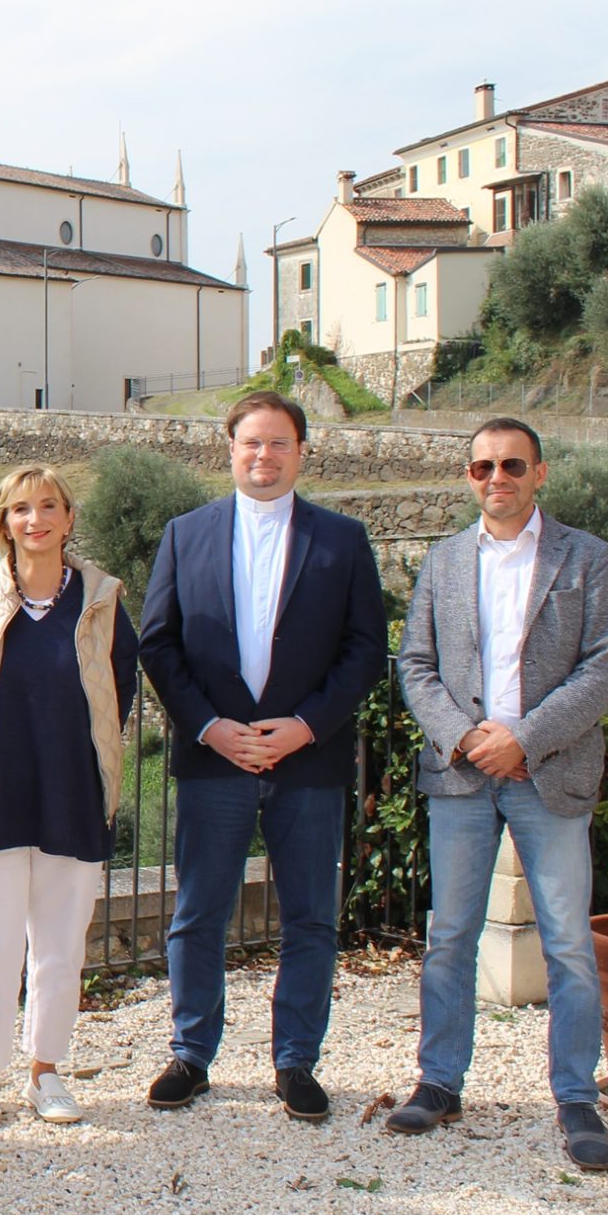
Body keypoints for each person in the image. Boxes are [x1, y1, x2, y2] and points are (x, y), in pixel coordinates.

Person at [137, 390, 387, 1121]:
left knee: (310, 917)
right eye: (252, 442)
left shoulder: (343, 540)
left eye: (279, 443)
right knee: (198, 912)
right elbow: (158, 641)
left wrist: (307, 725)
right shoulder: (187, 534)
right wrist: (210, 725)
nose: (264, 456)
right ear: (230, 448)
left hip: (307, 759)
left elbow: (365, 649)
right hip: (216, 757)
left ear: (301, 452)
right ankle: (191, 1054)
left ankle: (296, 1061)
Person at [390, 418, 608, 1170]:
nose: (498, 477)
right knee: (449, 936)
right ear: (469, 477)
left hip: (547, 774)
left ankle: (575, 1096)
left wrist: (524, 738)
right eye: (484, 466)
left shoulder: (585, 558)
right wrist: (467, 737)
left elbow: (601, 669)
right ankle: (439, 1081)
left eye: (513, 464)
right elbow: (416, 666)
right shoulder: (444, 561)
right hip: (461, 775)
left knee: (568, 944)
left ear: (540, 473)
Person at [0, 465, 140, 1128]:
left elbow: (120, 688)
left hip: (72, 797)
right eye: (21, 508)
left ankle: (46, 1070)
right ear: (5, 523)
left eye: (48, 505)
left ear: (68, 517)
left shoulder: (103, 600)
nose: (36, 519)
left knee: (59, 948)